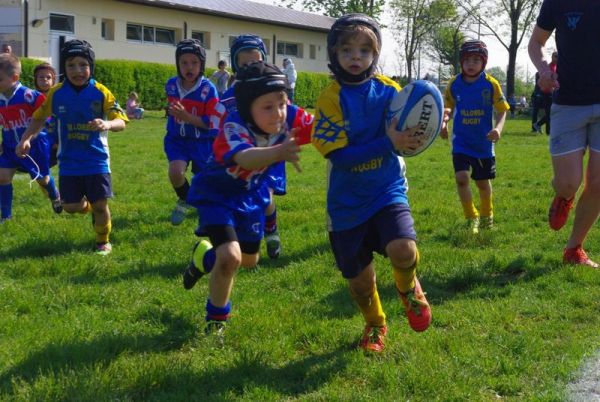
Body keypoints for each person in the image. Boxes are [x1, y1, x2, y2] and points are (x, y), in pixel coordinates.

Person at [311, 13, 432, 353]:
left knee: (403, 249)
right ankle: (375, 324)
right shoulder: (329, 99)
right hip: (346, 205)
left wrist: (432, 122)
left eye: (365, 50)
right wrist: (388, 143)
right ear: (334, 53)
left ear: (375, 54)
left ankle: (408, 289)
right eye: (347, 49)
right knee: (361, 284)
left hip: (386, 190)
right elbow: (340, 156)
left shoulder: (391, 91)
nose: (356, 57)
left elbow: (413, 125)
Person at [182, 61, 312, 339]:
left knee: (249, 261)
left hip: (250, 196)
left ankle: (203, 257)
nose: (278, 113)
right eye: (268, 106)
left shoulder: (287, 115)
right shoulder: (234, 126)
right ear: (246, 107)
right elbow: (246, 157)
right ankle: (215, 322)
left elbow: (323, 129)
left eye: (282, 102)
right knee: (230, 257)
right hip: (218, 194)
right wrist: (280, 151)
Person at [16, 39, 128, 255]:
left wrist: (107, 123)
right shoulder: (56, 94)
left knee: (100, 205)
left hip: (97, 161)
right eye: (71, 65)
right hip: (69, 162)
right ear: (64, 69)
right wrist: (26, 139)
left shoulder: (101, 92)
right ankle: (88, 208)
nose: (77, 71)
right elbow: (38, 119)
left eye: (83, 65)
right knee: (70, 207)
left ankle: (102, 241)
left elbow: (121, 121)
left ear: (91, 66)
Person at [528, 0, 600, 267]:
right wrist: (544, 70)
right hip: (568, 102)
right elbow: (536, 42)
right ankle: (564, 195)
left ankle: (574, 249)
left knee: (598, 182)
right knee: (569, 182)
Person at [216, 34, 299, 259]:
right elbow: (218, 127)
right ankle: (239, 242)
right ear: (235, 66)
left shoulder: (272, 87)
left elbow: (291, 113)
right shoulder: (227, 98)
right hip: (245, 157)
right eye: (244, 64)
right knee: (249, 202)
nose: (250, 67)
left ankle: (271, 230)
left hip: (272, 153)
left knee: (267, 198)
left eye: (255, 62)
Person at [441, 40, 510, 234]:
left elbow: (502, 110)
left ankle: (487, 215)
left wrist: (498, 129)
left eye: (476, 60)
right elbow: (448, 107)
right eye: (467, 60)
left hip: (483, 144)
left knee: (481, 183)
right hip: (461, 142)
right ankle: (472, 218)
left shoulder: (490, 84)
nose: (471, 64)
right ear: (461, 62)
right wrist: (444, 123)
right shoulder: (454, 84)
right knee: (461, 178)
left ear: (483, 62)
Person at [164, 39, 222, 226]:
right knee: (175, 172)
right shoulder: (171, 85)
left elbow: (211, 124)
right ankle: (184, 199)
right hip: (178, 139)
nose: (189, 67)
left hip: (202, 142)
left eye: (194, 63)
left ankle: (210, 207)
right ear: (177, 64)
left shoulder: (208, 90)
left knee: (205, 183)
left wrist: (187, 117)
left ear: (202, 65)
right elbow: (173, 110)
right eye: (184, 63)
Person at [0, 53, 62, 223]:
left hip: (34, 146)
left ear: (14, 77)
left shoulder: (30, 96)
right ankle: (6, 217)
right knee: (3, 176)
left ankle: (54, 194)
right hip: (10, 146)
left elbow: (45, 120)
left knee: (43, 179)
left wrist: (31, 138)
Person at [33, 62, 59, 167]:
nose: (45, 80)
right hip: (36, 139)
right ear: (36, 79)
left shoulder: (58, 96)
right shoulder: (31, 97)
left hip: (53, 140)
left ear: (53, 80)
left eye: (48, 77)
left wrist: (57, 141)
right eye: (41, 77)